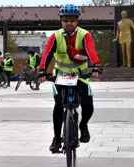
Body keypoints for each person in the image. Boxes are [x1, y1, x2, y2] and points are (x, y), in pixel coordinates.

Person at [38, 4, 103, 153]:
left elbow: (91, 50)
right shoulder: (55, 36)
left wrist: (97, 65)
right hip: (60, 75)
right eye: (65, 20)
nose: (69, 23)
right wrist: (42, 70)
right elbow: (47, 54)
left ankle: (83, 125)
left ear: (77, 21)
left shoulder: (84, 35)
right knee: (59, 105)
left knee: (87, 103)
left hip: (80, 75)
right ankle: (56, 138)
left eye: (72, 20)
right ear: (61, 21)